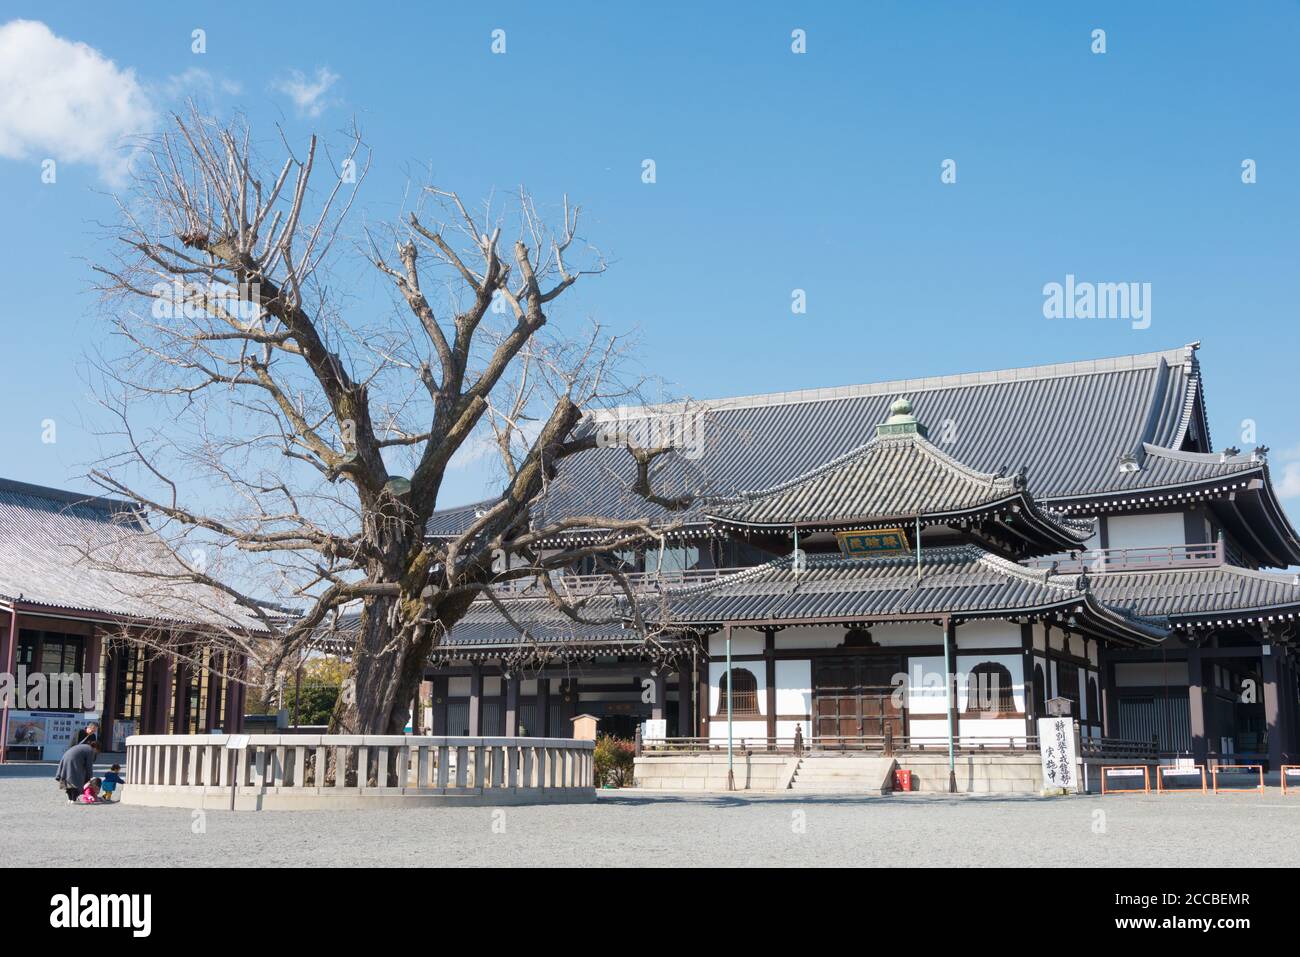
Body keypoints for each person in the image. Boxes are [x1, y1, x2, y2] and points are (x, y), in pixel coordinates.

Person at [54, 736, 98, 804]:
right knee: (76, 780)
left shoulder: (83, 746)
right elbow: (89, 765)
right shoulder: (90, 750)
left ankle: (70, 799)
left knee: (68, 780)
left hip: (65, 758)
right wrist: (89, 776)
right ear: (95, 748)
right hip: (73, 761)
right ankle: (74, 799)